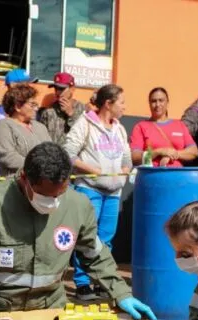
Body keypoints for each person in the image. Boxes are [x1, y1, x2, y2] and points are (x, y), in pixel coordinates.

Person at [0, 143, 157, 320]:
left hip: (51, 313)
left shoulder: (77, 206)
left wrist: (121, 293)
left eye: (61, 193)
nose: (53, 202)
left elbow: (94, 255)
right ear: (24, 178)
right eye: (45, 195)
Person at [63, 84, 133, 301]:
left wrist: (123, 172)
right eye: (121, 102)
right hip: (89, 189)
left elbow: (127, 159)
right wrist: (95, 171)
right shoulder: (84, 123)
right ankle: (83, 283)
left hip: (113, 193)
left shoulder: (120, 128)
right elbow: (68, 154)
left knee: (107, 239)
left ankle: (102, 280)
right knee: (87, 238)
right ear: (108, 104)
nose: (124, 106)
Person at [130, 87, 198, 167]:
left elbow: (194, 152)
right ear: (149, 104)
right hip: (151, 176)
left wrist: (173, 154)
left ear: (167, 103)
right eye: (153, 101)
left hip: (178, 176)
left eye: (161, 100)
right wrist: (159, 152)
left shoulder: (179, 125)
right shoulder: (140, 126)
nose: (157, 104)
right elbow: (135, 158)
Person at [0, 84, 51, 177]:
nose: (36, 109)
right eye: (33, 105)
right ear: (18, 106)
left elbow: (51, 151)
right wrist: (38, 167)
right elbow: (7, 157)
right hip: (15, 184)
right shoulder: (4, 126)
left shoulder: (41, 127)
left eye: (36, 105)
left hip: (43, 183)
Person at [37, 72, 85, 144]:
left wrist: (72, 114)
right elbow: (41, 137)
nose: (57, 92)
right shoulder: (49, 112)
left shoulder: (82, 109)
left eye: (61, 89)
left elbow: (84, 134)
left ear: (72, 89)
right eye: (56, 88)